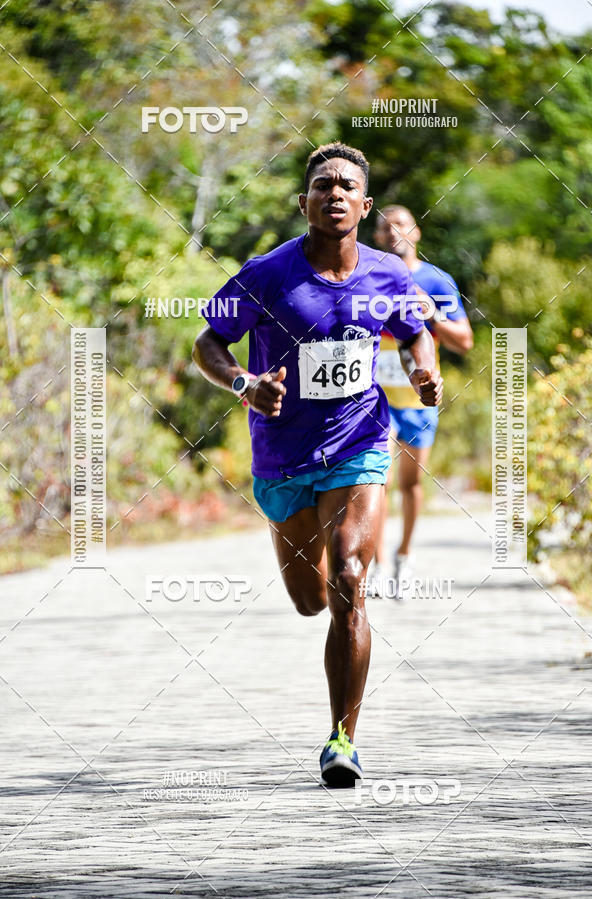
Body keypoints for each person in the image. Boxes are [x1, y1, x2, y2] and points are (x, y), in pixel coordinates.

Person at [192, 144, 442, 787]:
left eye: (347, 186)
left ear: (364, 205)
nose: (334, 193)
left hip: (360, 441)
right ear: (302, 202)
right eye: (322, 185)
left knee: (352, 578)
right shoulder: (266, 273)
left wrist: (423, 366)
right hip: (282, 457)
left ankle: (342, 740)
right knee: (311, 600)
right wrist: (245, 383)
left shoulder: (388, 272)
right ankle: (325, 570)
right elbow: (208, 342)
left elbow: (416, 328)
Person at [370, 206, 473, 596]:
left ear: (416, 233)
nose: (393, 232)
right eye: (384, 227)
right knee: (377, 478)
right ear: (378, 237)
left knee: (411, 483)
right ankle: (377, 564)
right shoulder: (369, 275)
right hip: (375, 394)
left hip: (418, 394)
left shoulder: (436, 280)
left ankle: (404, 556)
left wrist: (431, 316)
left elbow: (464, 342)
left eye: (401, 225)